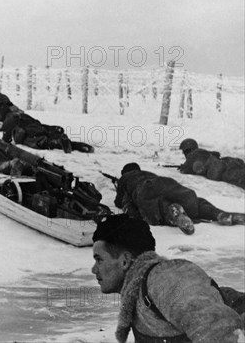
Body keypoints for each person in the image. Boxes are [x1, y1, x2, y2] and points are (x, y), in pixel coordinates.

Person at [91, 215, 243, 343]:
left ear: (124, 261)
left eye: (99, 260)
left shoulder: (164, 278)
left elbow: (219, 327)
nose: (94, 269)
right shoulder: (139, 292)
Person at [114, 162, 245, 235]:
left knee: (161, 207)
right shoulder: (148, 173)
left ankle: (175, 214)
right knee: (195, 203)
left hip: (144, 189)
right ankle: (219, 214)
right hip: (165, 182)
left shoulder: (125, 179)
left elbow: (120, 202)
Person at [0, 112, 88, 153]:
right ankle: (81, 146)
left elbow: (8, 136)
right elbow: (36, 121)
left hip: (30, 132)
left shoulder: (8, 117)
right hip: (38, 126)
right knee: (46, 134)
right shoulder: (20, 114)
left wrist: (10, 140)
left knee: (42, 142)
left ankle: (56, 141)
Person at [178, 138, 245, 190]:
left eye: (184, 151)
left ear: (189, 150)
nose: (184, 154)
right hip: (227, 163)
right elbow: (216, 154)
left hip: (223, 170)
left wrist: (183, 167)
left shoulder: (194, 154)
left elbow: (186, 169)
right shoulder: (202, 153)